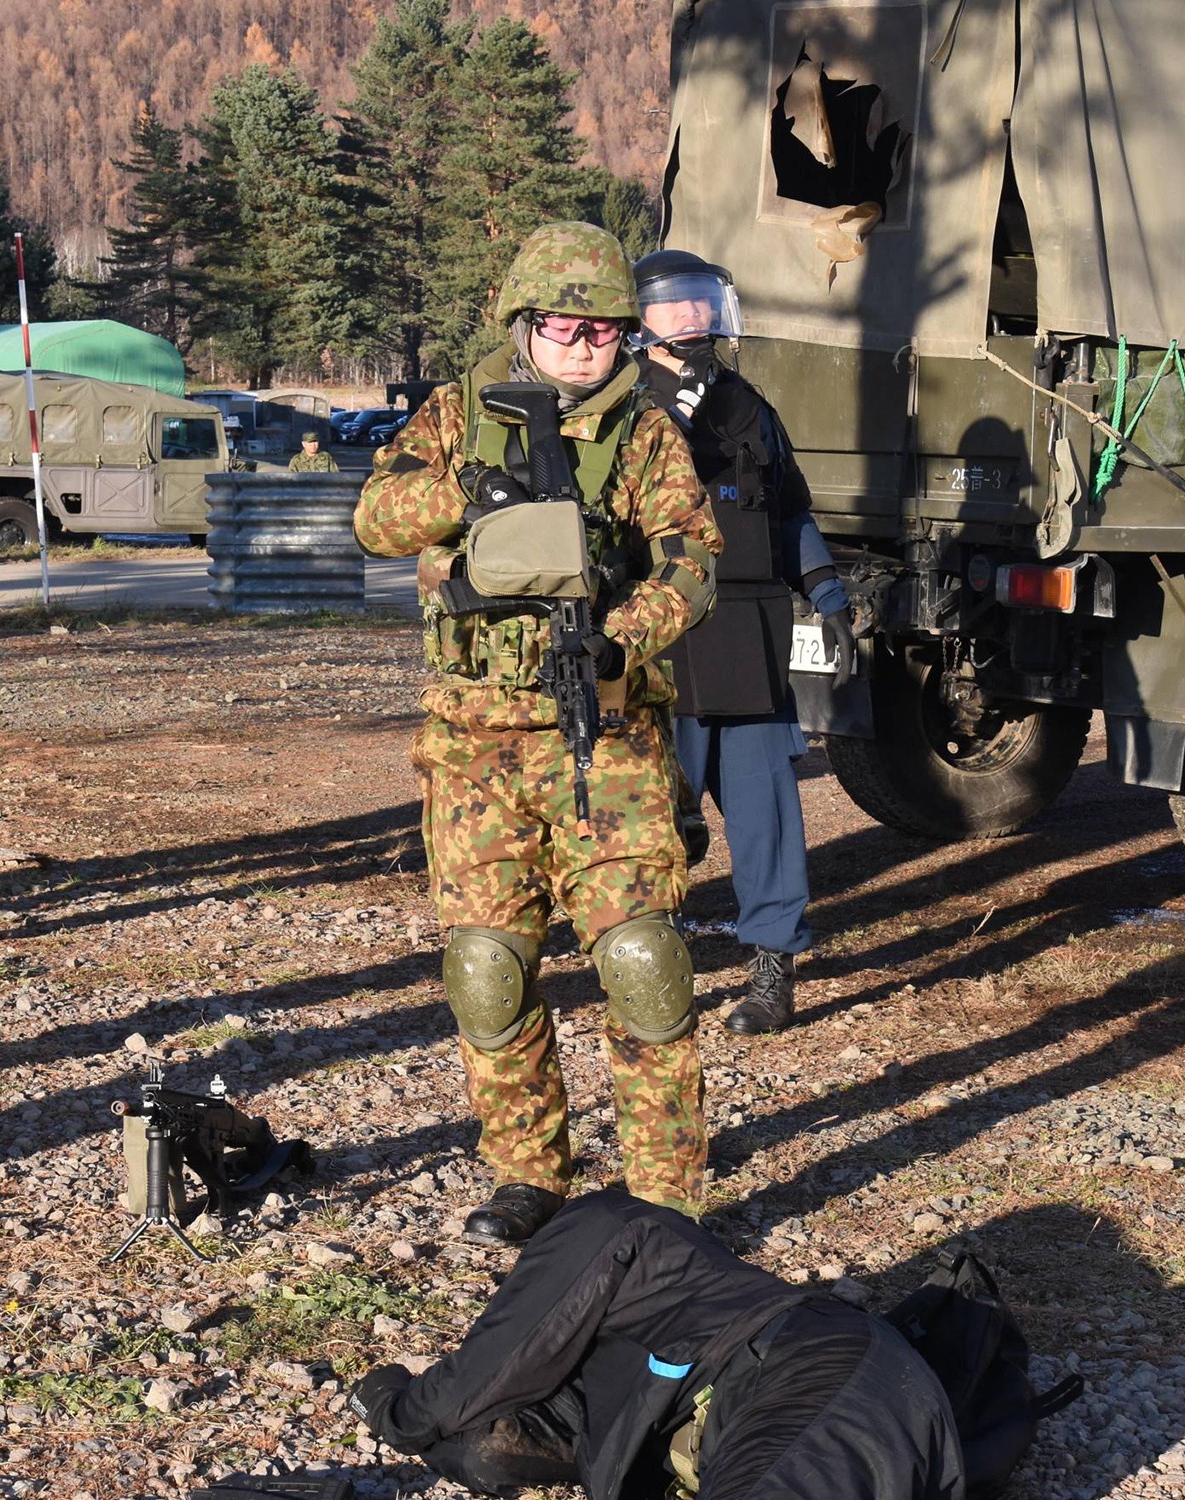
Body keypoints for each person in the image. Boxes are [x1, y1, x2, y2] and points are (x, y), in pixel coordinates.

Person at [355, 221, 722, 1245]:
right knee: (488, 969)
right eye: (563, 325)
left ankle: (665, 1195)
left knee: (643, 962)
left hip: (605, 739)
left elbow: (694, 559)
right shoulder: (453, 414)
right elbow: (375, 519)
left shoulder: (646, 432)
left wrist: (622, 639)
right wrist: (466, 487)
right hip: (474, 744)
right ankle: (528, 1174)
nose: (582, 345)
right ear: (523, 320)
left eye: (604, 328)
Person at [348, 1188, 967, 1500]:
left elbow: (490, 1365)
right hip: (771, 1398)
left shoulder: (609, 1223)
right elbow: (498, 1416)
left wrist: (389, 1403)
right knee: (479, 1450)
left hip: (809, 1372)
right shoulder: (653, 1308)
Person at [631, 250, 857, 1037]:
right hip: (659, 650)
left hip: (750, 640)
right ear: (639, 320)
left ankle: (773, 969)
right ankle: (653, 965)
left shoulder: (748, 405)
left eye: (700, 303)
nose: (691, 319)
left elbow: (788, 510)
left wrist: (825, 589)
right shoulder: (620, 410)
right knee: (657, 821)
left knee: (768, 818)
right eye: (671, 306)